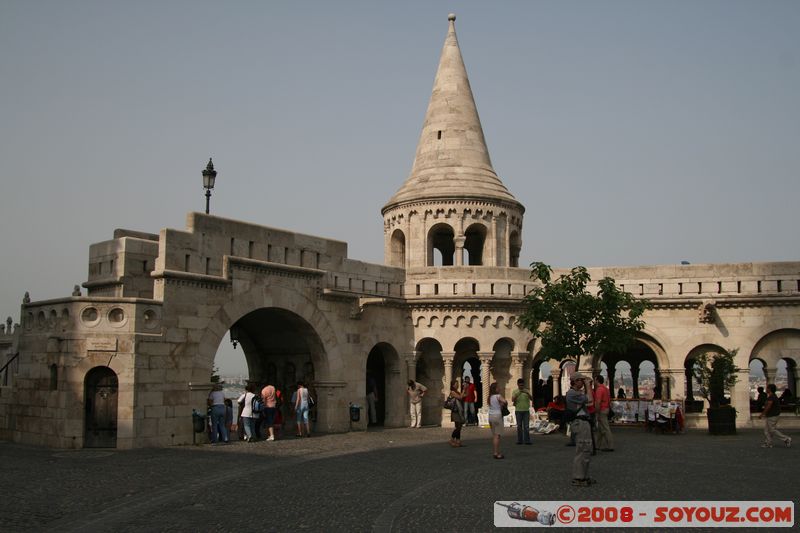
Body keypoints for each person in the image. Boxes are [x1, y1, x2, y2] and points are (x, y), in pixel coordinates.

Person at [566, 372, 595, 486]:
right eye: (581, 380)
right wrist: (588, 386)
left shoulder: (578, 393)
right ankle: (578, 477)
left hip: (584, 422)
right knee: (582, 449)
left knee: (587, 449)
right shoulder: (572, 394)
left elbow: (590, 402)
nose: (582, 382)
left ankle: (584, 475)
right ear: (575, 381)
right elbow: (589, 399)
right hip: (579, 422)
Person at [759, 383, 791, 448]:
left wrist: (762, 414)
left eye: (767, 388)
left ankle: (786, 439)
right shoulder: (773, 396)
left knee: (772, 430)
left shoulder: (771, 397)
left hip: (772, 415)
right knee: (767, 430)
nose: (766, 389)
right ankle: (768, 443)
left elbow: (768, 406)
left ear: (769, 389)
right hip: (772, 415)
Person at [593, 375, 614, 452]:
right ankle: (597, 445)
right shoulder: (606, 389)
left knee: (605, 428)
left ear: (597, 380)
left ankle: (610, 446)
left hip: (602, 410)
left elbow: (598, 402)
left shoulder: (599, 390)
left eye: (595, 380)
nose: (594, 381)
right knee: (600, 429)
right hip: (606, 408)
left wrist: (597, 412)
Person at [487, 382, 507, 459]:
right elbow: (505, 401)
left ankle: (495, 451)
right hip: (497, 416)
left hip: (490, 416)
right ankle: (496, 453)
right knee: (497, 436)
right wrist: (501, 404)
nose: (499, 388)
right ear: (495, 389)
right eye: (498, 387)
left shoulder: (490, 397)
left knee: (494, 435)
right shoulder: (498, 396)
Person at [512, 378, 532, 445]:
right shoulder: (515, 391)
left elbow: (531, 399)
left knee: (526, 426)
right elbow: (512, 399)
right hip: (518, 410)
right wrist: (518, 393)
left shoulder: (527, 391)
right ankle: (520, 440)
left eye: (522, 385)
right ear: (517, 385)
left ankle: (527, 440)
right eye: (520, 385)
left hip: (526, 410)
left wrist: (527, 393)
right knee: (519, 426)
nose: (521, 386)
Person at [448, 381, 465, 447]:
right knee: (458, 427)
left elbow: (463, 396)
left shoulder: (457, 392)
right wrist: (463, 390)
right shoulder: (452, 392)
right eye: (456, 384)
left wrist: (466, 389)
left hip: (459, 411)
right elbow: (460, 397)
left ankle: (458, 441)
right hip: (455, 411)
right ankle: (451, 439)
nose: (457, 385)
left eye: (458, 384)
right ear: (453, 385)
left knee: (459, 427)